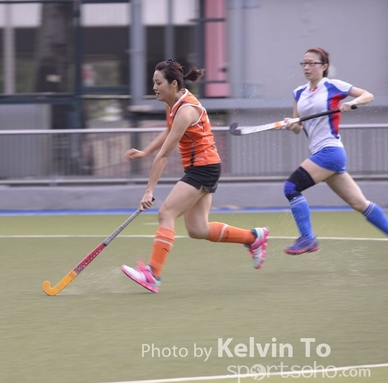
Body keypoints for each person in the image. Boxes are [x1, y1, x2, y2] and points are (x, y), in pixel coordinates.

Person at [120, 59, 269, 293]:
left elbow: (164, 155)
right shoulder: (173, 103)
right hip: (202, 167)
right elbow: (169, 130)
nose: (154, 87)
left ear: (173, 84)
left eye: (158, 83)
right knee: (198, 229)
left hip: (203, 168)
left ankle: (152, 274)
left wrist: (149, 191)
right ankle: (253, 238)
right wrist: (145, 152)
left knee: (166, 213)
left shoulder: (186, 110)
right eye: (153, 83)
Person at [282, 47, 388, 255]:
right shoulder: (298, 93)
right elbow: (298, 127)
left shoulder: (333, 86)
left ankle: (308, 239)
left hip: (330, 152)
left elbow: (368, 95)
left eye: (312, 63)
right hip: (321, 154)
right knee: (360, 204)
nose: (306, 67)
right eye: (304, 63)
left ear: (324, 66)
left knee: (291, 187)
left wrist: (352, 103)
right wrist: (291, 124)